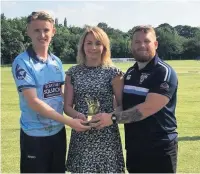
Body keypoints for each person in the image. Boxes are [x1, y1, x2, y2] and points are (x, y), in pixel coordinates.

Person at [91, 25, 178, 173]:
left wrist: (111, 118)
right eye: (137, 42)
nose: (142, 45)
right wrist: (98, 114)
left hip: (159, 148)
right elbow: (122, 104)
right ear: (131, 45)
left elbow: (146, 109)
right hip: (134, 147)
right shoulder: (130, 72)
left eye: (147, 41)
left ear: (155, 44)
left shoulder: (163, 72)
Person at [11, 11, 90, 173]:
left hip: (58, 133)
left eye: (46, 30)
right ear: (28, 32)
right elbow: (33, 102)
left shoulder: (56, 62)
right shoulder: (22, 62)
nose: (42, 34)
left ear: (53, 31)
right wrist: (69, 121)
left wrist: (75, 114)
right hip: (34, 136)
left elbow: (60, 95)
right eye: (36, 30)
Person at [64, 26, 125, 173]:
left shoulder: (114, 73)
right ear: (82, 46)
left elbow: (123, 106)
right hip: (81, 135)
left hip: (107, 136)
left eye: (98, 43)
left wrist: (110, 117)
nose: (93, 47)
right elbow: (67, 106)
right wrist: (78, 116)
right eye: (89, 43)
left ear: (104, 47)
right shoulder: (73, 73)